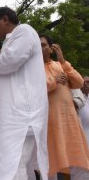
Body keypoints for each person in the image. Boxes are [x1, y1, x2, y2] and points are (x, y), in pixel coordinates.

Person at [0, 7, 49, 180]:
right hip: (12, 117)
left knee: (14, 164)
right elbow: (4, 69)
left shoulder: (24, 31)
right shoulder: (9, 42)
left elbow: (11, 61)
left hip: (22, 116)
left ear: (5, 19)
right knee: (10, 163)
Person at [40, 34, 89, 179]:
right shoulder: (32, 69)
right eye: (38, 45)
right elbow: (32, 90)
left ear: (51, 48)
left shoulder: (60, 65)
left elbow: (79, 83)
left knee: (80, 163)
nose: (40, 48)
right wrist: (53, 81)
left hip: (70, 122)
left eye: (43, 45)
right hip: (49, 124)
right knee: (50, 166)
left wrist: (62, 60)